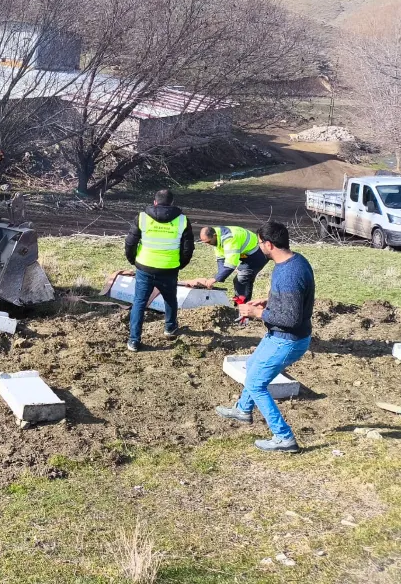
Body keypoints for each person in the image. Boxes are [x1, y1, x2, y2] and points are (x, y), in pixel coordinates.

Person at [215, 220, 315, 453]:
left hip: (288, 340)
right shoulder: (295, 260)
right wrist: (269, 301)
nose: (258, 246)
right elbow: (295, 301)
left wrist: (257, 312)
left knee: (256, 383)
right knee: (252, 366)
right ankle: (242, 409)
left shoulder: (289, 273)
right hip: (281, 335)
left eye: (260, 243)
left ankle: (284, 438)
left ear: (269, 245)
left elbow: (290, 318)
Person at [123, 189, 194, 352]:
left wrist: (134, 261)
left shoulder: (142, 218)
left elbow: (130, 243)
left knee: (139, 303)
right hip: (169, 268)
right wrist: (179, 264)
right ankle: (170, 328)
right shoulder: (183, 220)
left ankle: (134, 340)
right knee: (170, 299)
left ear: (155, 202)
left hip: (144, 267)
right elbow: (188, 248)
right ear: (171, 203)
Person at [194, 225, 269, 305]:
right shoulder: (217, 236)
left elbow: (230, 265)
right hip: (248, 254)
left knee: (241, 279)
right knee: (244, 280)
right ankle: (244, 307)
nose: (208, 244)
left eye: (208, 242)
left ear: (214, 235)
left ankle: (242, 308)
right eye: (205, 242)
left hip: (258, 253)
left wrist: (214, 279)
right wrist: (218, 277)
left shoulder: (230, 239)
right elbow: (221, 260)